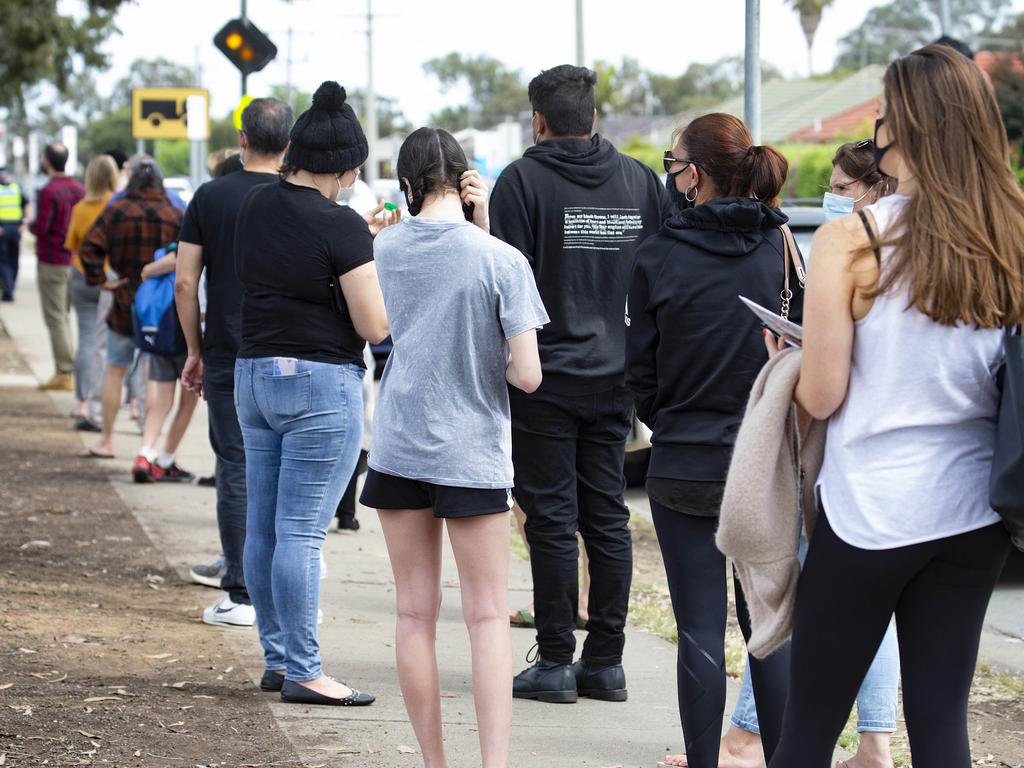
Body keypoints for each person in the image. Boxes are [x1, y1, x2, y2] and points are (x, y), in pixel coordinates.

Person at [766, 44, 1020, 768]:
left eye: (883, 111)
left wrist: (784, 364)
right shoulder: (1012, 232)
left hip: (871, 510)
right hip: (976, 511)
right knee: (942, 727)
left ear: (903, 125)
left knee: (809, 733)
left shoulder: (855, 235)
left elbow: (822, 393)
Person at [713, 138, 903, 768]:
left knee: (798, 590)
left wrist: (790, 364)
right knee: (882, 612)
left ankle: (749, 737)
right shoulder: (950, 245)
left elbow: (824, 389)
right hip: (926, 480)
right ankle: (872, 738)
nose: (834, 199)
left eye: (844, 188)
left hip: (848, 456)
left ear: (876, 188)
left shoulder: (848, 248)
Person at [362, 127, 547, 768]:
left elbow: (373, 326)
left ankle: (434, 763)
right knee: (488, 618)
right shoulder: (500, 259)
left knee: (414, 615)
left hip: (399, 443)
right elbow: (528, 374)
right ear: (467, 183)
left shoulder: (381, 248)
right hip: (472, 451)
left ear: (407, 186)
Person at [625, 113, 802, 768]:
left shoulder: (658, 254)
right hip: (767, 463)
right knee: (769, 628)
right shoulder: (781, 247)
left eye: (674, 163)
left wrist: (669, 423)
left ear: (693, 173)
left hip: (684, 462)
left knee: (698, 627)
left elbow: (638, 370)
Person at [489, 64, 670, 704]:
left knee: (552, 521)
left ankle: (558, 661)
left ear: (539, 120)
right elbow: (660, 276)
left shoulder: (519, 183)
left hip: (545, 380)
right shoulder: (641, 182)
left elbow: (506, 289)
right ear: (593, 116)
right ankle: (607, 663)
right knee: (607, 519)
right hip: (618, 378)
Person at [233, 81, 395, 705]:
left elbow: (295, 265)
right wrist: (364, 247)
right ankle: (305, 669)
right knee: (302, 533)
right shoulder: (343, 225)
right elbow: (373, 325)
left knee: (265, 528)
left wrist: (359, 241)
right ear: (348, 167)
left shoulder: (254, 206)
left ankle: (279, 659)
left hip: (253, 374)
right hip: (319, 384)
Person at [175, 97, 294, 627]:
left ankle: (242, 593)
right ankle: (287, 583)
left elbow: (184, 281)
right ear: (289, 145)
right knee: (289, 473)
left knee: (236, 467)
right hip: (291, 351)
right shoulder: (298, 198)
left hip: (227, 350)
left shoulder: (210, 196)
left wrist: (194, 349)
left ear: (241, 140)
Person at [79, 158, 183, 459]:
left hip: (124, 300)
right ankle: (146, 444)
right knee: (154, 374)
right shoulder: (177, 212)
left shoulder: (116, 210)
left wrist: (101, 280)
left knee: (115, 368)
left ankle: (107, 441)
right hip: (162, 307)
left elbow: (89, 247)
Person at [130, 243, 199, 483]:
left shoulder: (174, 245)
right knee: (188, 400)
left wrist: (148, 269)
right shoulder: (193, 245)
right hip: (185, 335)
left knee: (161, 400)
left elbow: (150, 270)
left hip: (159, 333)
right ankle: (166, 460)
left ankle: (145, 453)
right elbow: (177, 270)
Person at [65, 155, 119, 432]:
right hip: (112, 277)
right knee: (117, 343)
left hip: (83, 276)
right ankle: (131, 402)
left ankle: (83, 402)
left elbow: (72, 244)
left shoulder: (80, 208)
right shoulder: (117, 205)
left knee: (86, 339)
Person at [29, 143, 85, 391]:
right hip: (75, 260)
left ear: (46, 162)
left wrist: (29, 225)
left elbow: (42, 227)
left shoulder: (48, 191)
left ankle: (64, 371)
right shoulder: (79, 189)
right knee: (66, 316)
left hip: (52, 259)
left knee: (55, 317)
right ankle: (70, 369)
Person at [0, 166, 26, 301]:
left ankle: (10, 288)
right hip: (3, 228)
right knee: (4, 261)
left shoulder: (16, 188)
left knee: (12, 260)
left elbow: (25, 205)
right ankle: (8, 290)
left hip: (15, 228)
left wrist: (23, 223)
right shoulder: (15, 188)